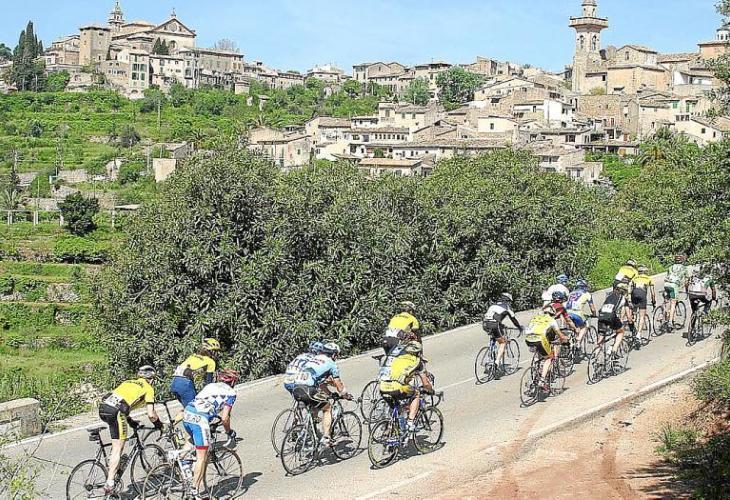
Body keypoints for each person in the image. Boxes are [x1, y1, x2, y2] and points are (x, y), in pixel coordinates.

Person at [98, 366, 163, 495]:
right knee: (118, 447)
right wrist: (159, 425)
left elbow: (123, 402)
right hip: (116, 412)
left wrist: (130, 420)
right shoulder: (148, 388)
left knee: (116, 438)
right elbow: (151, 414)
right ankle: (110, 483)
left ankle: (113, 464)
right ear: (151, 379)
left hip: (103, 408)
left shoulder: (128, 382)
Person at [182, 368, 240, 499]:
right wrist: (229, 432)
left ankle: (184, 464)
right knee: (202, 457)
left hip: (188, 413)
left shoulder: (210, 385)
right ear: (233, 382)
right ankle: (194, 491)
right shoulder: (231, 393)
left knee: (191, 441)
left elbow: (202, 403)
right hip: (200, 419)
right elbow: (225, 418)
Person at [290, 342, 352, 447]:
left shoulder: (314, 359)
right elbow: (338, 384)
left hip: (296, 388)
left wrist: (330, 393)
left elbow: (321, 383)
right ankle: (326, 438)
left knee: (315, 406)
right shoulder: (332, 364)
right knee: (327, 408)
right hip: (308, 389)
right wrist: (346, 395)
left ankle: (311, 430)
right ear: (334, 355)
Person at [378, 340, 434, 432]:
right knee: (416, 394)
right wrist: (430, 390)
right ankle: (410, 422)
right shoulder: (417, 361)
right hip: (397, 388)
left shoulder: (397, 358)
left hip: (382, 387)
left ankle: (391, 428)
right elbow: (426, 383)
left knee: (398, 406)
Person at [524, 306, 569, 390]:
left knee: (539, 352)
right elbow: (560, 335)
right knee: (549, 358)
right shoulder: (552, 320)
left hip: (528, 339)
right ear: (552, 314)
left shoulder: (535, 317)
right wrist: (566, 339)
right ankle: (542, 380)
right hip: (539, 339)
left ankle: (536, 369)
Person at [171, 338, 221, 411]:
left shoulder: (193, 356)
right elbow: (208, 383)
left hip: (174, 382)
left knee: (188, 409)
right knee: (194, 410)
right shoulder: (211, 362)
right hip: (185, 384)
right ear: (211, 351)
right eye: (215, 351)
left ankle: (177, 418)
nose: (217, 354)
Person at [482, 293, 523, 375]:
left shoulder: (492, 306)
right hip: (494, 325)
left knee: (494, 337)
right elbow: (514, 320)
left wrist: (501, 325)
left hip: (485, 324)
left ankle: (489, 355)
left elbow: (493, 317)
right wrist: (519, 328)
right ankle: (496, 362)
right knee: (503, 342)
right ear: (508, 301)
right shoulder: (507, 308)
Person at [597, 282, 634, 356]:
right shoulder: (623, 298)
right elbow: (628, 315)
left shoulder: (609, 296)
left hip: (601, 315)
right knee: (621, 331)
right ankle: (614, 350)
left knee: (601, 338)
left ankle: (595, 355)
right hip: (611, 316)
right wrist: (631, 324)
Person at [566, 279, 598, 350]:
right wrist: (594, 314)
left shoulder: (571, 293)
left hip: (567, 313)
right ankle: (578, 341)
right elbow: (592, 308)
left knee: (574, 328)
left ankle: (572, 344)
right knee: (584, 327)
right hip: (577, 313)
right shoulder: (587, 294)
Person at [631, 265, 656, 339]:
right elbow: (652, 293)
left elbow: (631, 289)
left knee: (634, 314)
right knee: (642, 316)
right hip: (642, 296)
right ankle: (638, 335)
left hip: (634, 295)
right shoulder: (648, 278)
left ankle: (634, 329)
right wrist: (653, 302)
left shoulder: (634, 278)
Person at [664, 255, 689, 329]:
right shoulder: (684, 268)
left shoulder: (670, 267)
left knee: (667, 301)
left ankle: (664, 314)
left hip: (666, 284)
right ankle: (670, 322)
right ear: (682, 261)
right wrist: (686, 291)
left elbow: (668, 277)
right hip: (674, 286)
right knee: (673, 303)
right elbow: (687, 281)